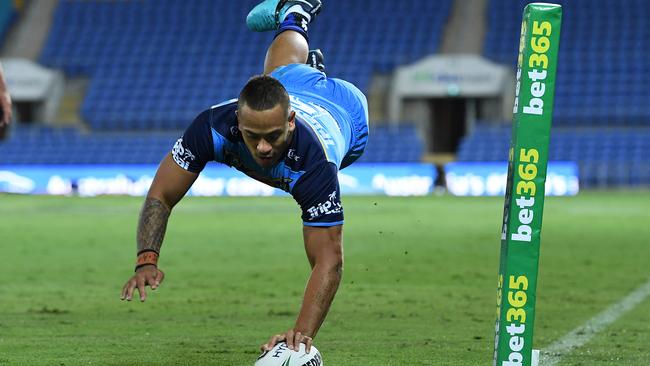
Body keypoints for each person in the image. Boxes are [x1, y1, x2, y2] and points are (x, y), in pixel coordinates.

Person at [120, 0, 368, 355]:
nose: (264, 148)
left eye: (274, 136)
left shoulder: (316, 165)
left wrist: (300, 336)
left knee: (284, 79)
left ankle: (310, 66)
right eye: (253, 136)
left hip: (345, 111)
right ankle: (294, 13)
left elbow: (329, 259)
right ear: (237, 122)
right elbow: (162, 193)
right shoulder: (211, 128)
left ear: (290, 123)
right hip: (290, 87)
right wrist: (147, 258)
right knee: (279, 75)